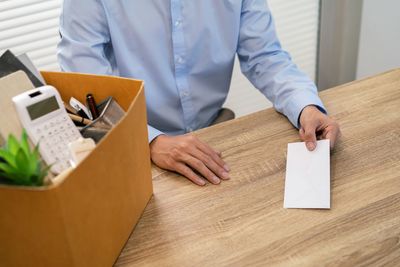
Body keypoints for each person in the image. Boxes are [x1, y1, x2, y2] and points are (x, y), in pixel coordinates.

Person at [58, 0, 340, 186]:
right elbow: (83, 88)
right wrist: (149, 141)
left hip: (211, 135)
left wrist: (306, 106)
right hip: (132, 142)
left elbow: (264, 56)